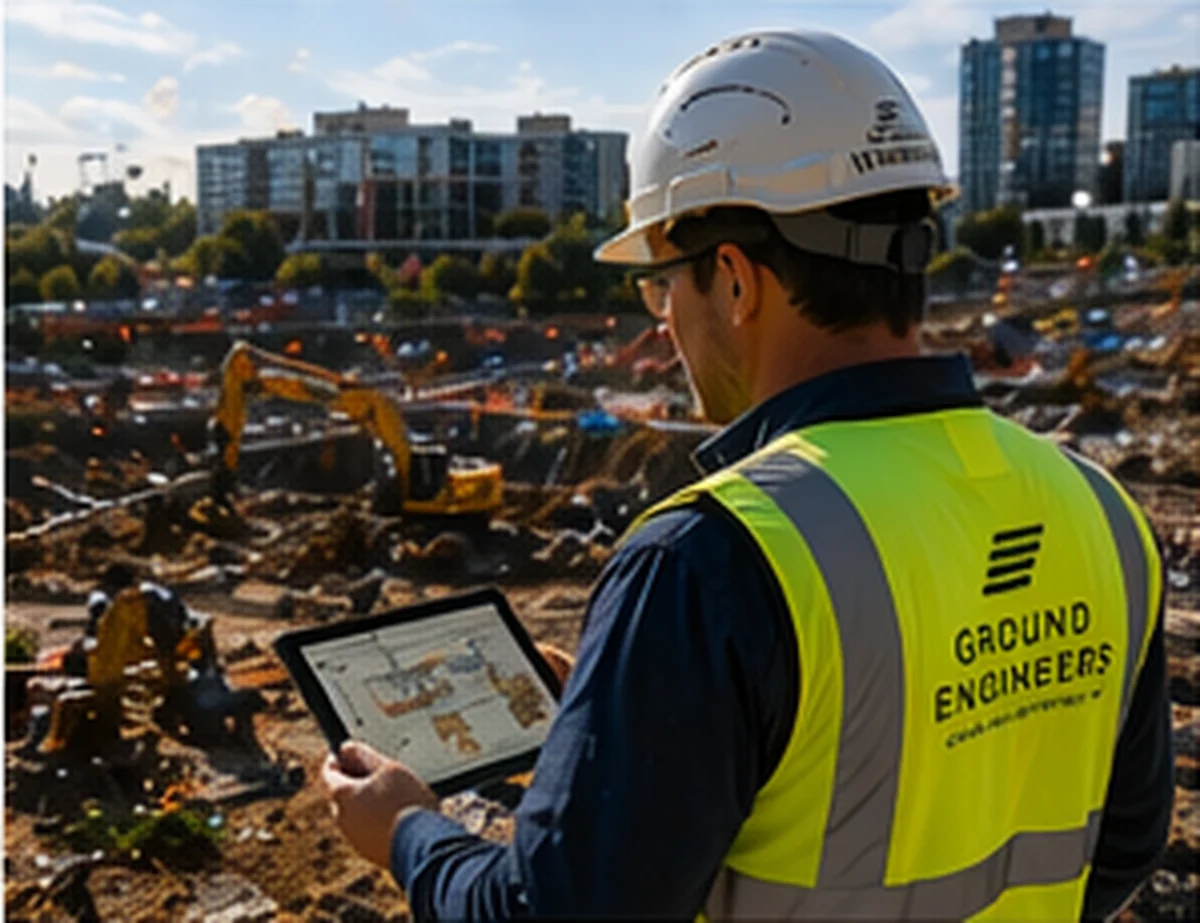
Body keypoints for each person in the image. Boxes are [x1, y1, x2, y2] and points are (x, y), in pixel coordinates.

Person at [322, 29, 1173, 920]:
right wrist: (655, 715)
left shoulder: (710, 559)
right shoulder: (1102, 514)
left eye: (662, 287)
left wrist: (410, 831)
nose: (662, 326)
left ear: (733, 279)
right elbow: (1118, 848)